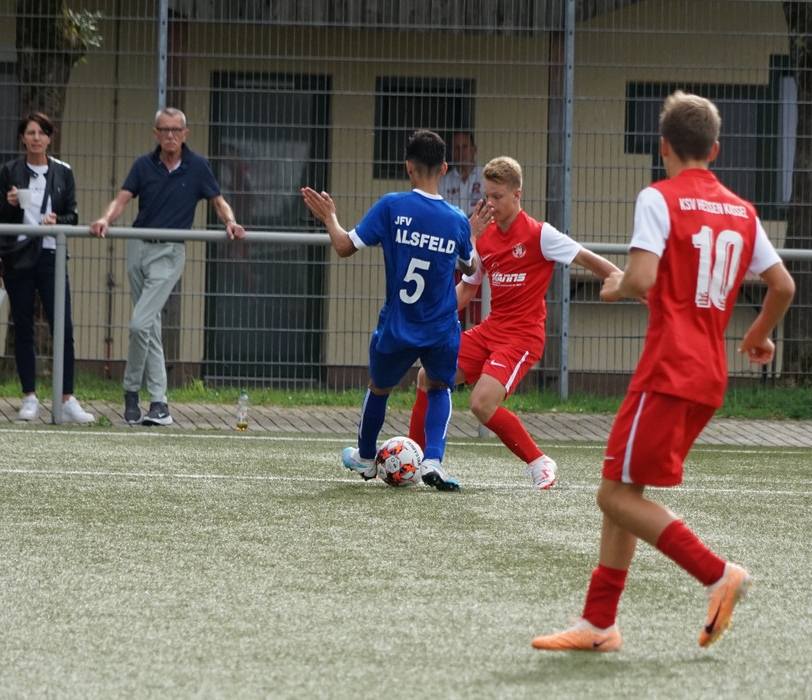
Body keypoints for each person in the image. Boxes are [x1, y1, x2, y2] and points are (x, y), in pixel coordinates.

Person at [531, 91, 794, 652]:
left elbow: (643, 277)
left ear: (663, 147)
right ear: (715, 150)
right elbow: (783, 285)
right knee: (625, 487)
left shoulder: (659, 197)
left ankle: (717, 574)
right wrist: (756, 335)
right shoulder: (743, 211)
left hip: (667, 369)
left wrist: (615, 286)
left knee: (612, 496)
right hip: (708, 375)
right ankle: (599, 625)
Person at [409, 156, 622, 489]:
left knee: (481, 403)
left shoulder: (541, 235)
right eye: (487, 196)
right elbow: (468, 288)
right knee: (428, 376)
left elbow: (585, 258)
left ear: (516, 195)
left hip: (522, 338)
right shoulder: (486, 238)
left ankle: (539, 461)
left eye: (497, 197)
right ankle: (413, 459)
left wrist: (625, 281)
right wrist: (431, 313)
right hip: (491, 330)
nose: (490, 204)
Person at [301, 129, 477, 491]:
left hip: (399, 323)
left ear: (408, 166)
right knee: (439, 387)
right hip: (441, 326)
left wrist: (330, 217)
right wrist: (467, 233)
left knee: (380, 388)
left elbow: (344, 246)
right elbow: (471, 266)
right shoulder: (456, 218)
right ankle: (433, 461)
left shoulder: (392, 206)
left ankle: (366, 458)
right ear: (444, 168)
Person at [89, 107, 245, 426]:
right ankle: (156, 403)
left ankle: (134, 390)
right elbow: (122, 200)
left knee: (139, 324)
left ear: (185, 134)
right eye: (164, 130)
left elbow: (218, 201)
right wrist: (105, 219)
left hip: (170, 252)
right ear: (156, 133)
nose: (170, 135)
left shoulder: (198, 166)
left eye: (176, 130)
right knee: (149, 327)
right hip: (138, 248)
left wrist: (230, 222)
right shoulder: (143, 165)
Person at [0, 112, 93, 425]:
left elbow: (73, 216)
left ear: (50, 138)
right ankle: (30, 397)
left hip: (51, 254)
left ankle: (67, 398)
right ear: (22, 138)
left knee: (63, 326)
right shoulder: (9, 171)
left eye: (42, 133)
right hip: (18, 255)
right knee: (22, 325)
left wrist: (56, 220)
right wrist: (11, 205)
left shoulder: (63, 172)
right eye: (30, 133)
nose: (36, 138)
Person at [438, 132, 484, 214]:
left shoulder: (485, 176)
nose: (461, 152)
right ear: (452, 152)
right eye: (457, 148)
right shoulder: (443, 181)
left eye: (465, 147)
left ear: (474, 149)